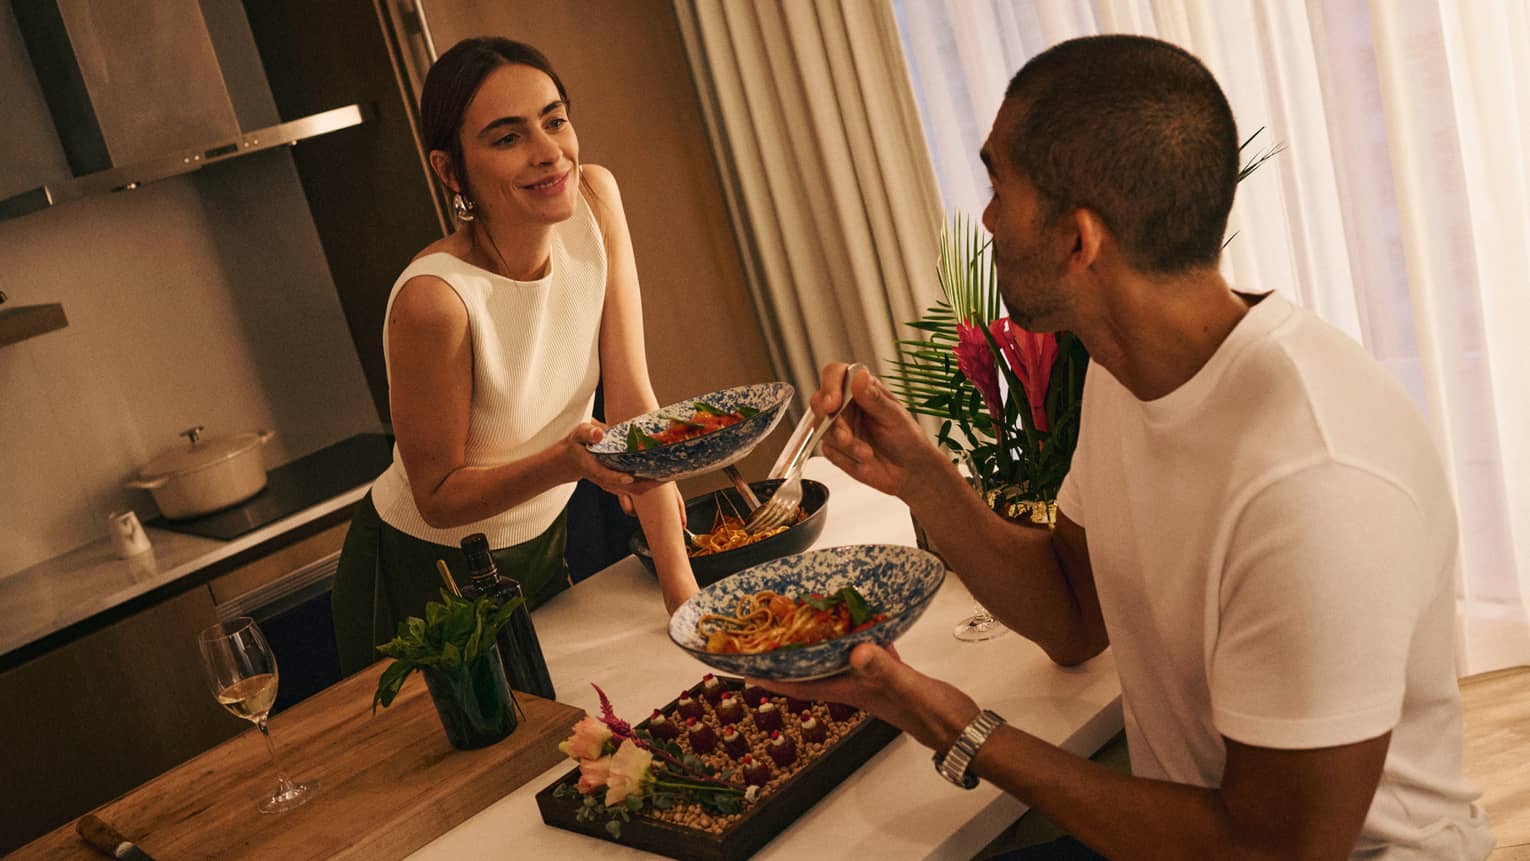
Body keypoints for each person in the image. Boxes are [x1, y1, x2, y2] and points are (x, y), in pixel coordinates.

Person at [768, 35, 1494, 860]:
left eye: (999, 185)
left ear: (1079, 241)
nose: (989, 219)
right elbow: (1076, 612)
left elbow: (1274, 853)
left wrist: (957, 725)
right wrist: (923, 478)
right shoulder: (1128, 370)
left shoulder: (1315, 481)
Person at [332, 37, 697, 677]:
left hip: (536, 547)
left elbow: (636, 404)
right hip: (422, 575)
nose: (549, 152)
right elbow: (436, 495)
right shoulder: (436, 300)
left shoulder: (597, 202)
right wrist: (565, 462)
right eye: (507, 139)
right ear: (451, 172)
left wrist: (685, 600)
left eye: (554, 120)